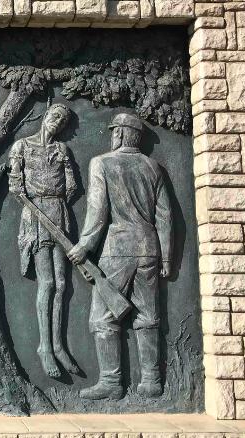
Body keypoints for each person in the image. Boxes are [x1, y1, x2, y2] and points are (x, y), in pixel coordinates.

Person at [67, 113, 173, 400]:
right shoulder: (153, 167)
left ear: (124, 134)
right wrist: (165, 258)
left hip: (117, 250)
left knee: (103, 318)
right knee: (148, 315)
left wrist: (85, 246)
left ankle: (112, 383)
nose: (112, 135)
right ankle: (151, 381)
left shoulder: (102, 163)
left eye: (115, 131)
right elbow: (165, 217)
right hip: (149, 249)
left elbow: (97, 211)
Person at [8, 103, 79, 378]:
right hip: (35, 215)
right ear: (46, 116)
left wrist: (56, 197)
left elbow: (72, 187)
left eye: (62, 121)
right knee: (47, 282)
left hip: (58, 212)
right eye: (55, 117)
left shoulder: (62, 150)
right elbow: (16, 185)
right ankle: (45, 348)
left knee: (62, 284)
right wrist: (38, 200)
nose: (57, 122)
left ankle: (60, 345)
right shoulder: (22, 146)